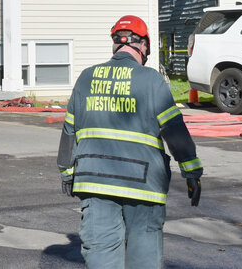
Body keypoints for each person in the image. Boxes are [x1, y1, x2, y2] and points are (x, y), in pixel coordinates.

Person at [57, 15, 203, 268]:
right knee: (144, 256)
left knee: (101, 253)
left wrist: (67, 173)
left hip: (95, 181)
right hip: (144, 184)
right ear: (143, 45)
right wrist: (192, 171)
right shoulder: (151, 80)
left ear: (115, 43)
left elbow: (69, 130)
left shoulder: (86, 78)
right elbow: (174, 130)